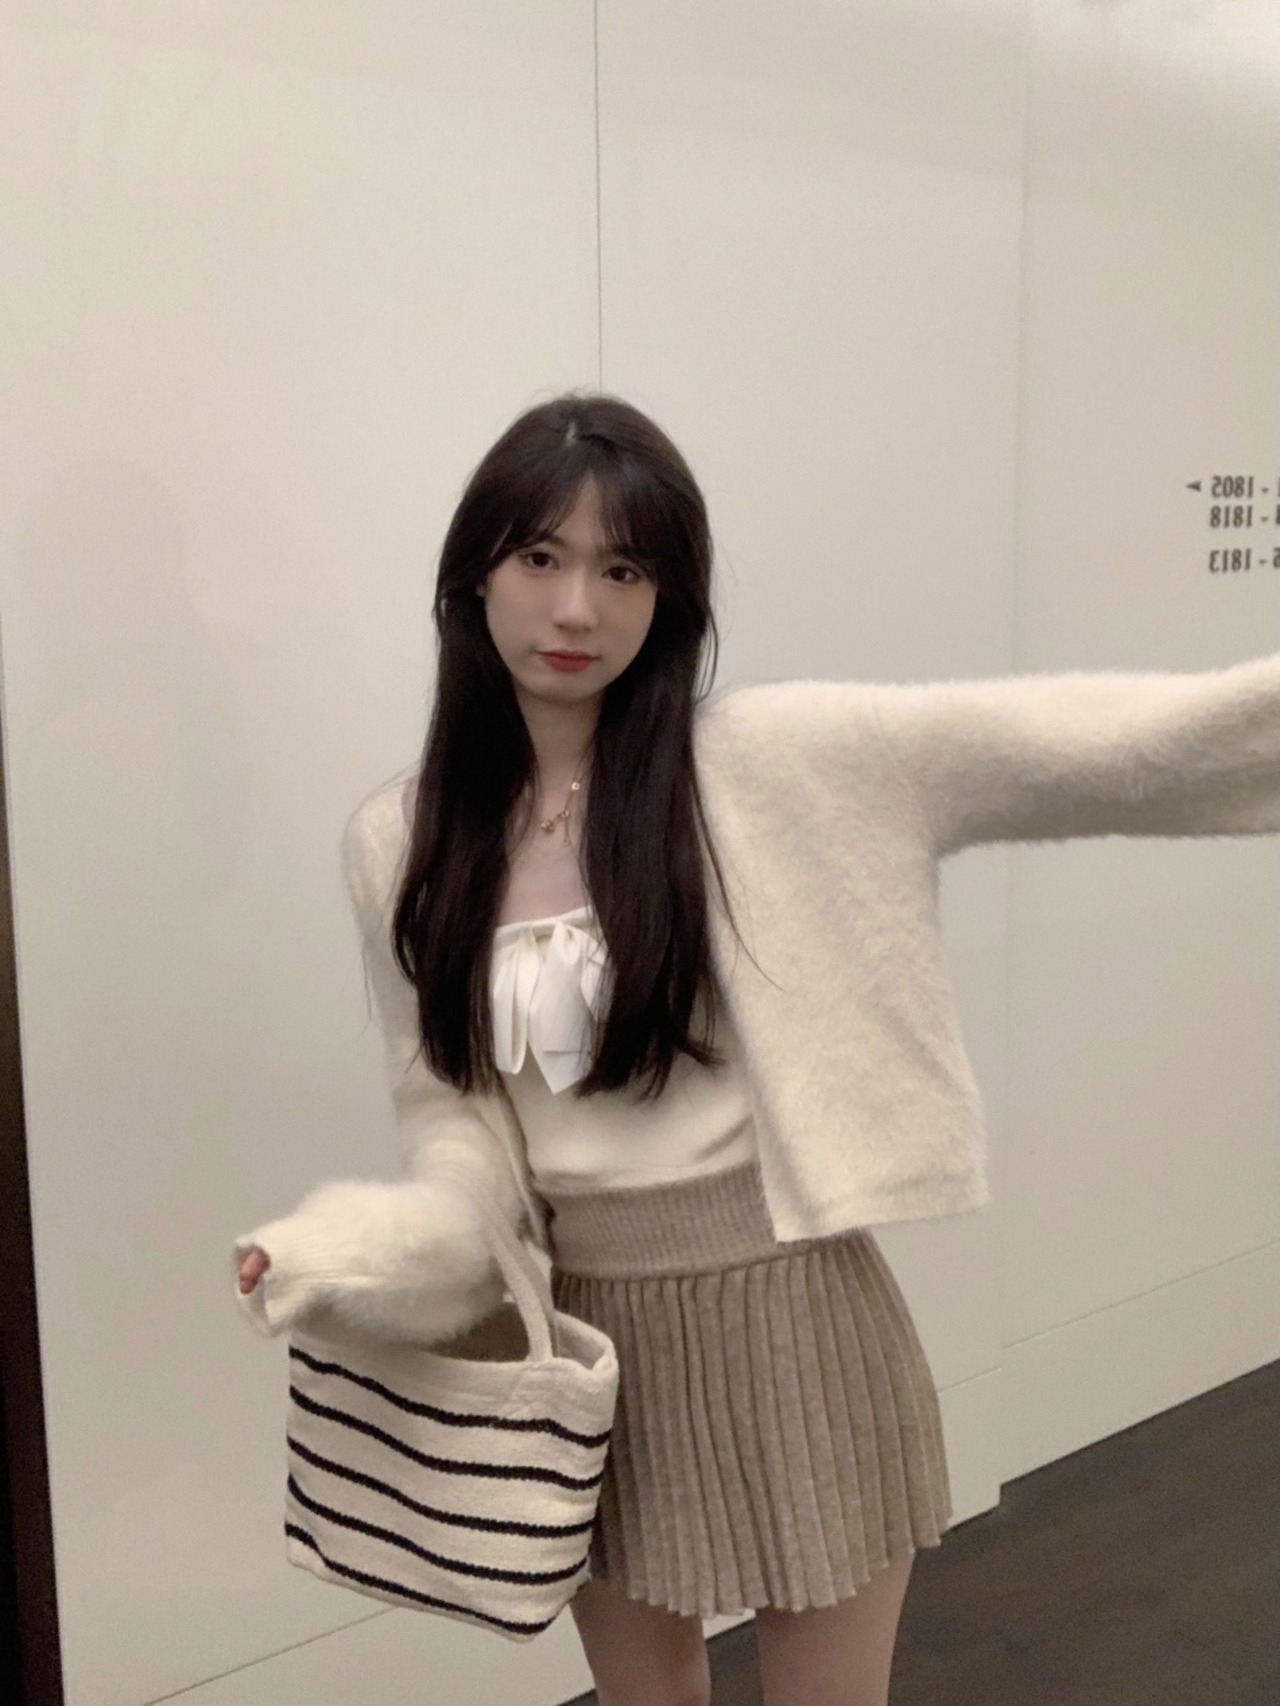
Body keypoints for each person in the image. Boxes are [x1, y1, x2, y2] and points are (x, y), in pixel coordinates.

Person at [232, 391, 1280, 1706]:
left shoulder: (772, 763)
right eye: (541, 557)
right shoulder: (399, 839)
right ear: (474, 575)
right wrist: (356, 1252)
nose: (576, 607)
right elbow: (451, 1118)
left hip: (799, 1319)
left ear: (669, 597)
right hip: (593, 1345)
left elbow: (1087, 747)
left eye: (625, 569)